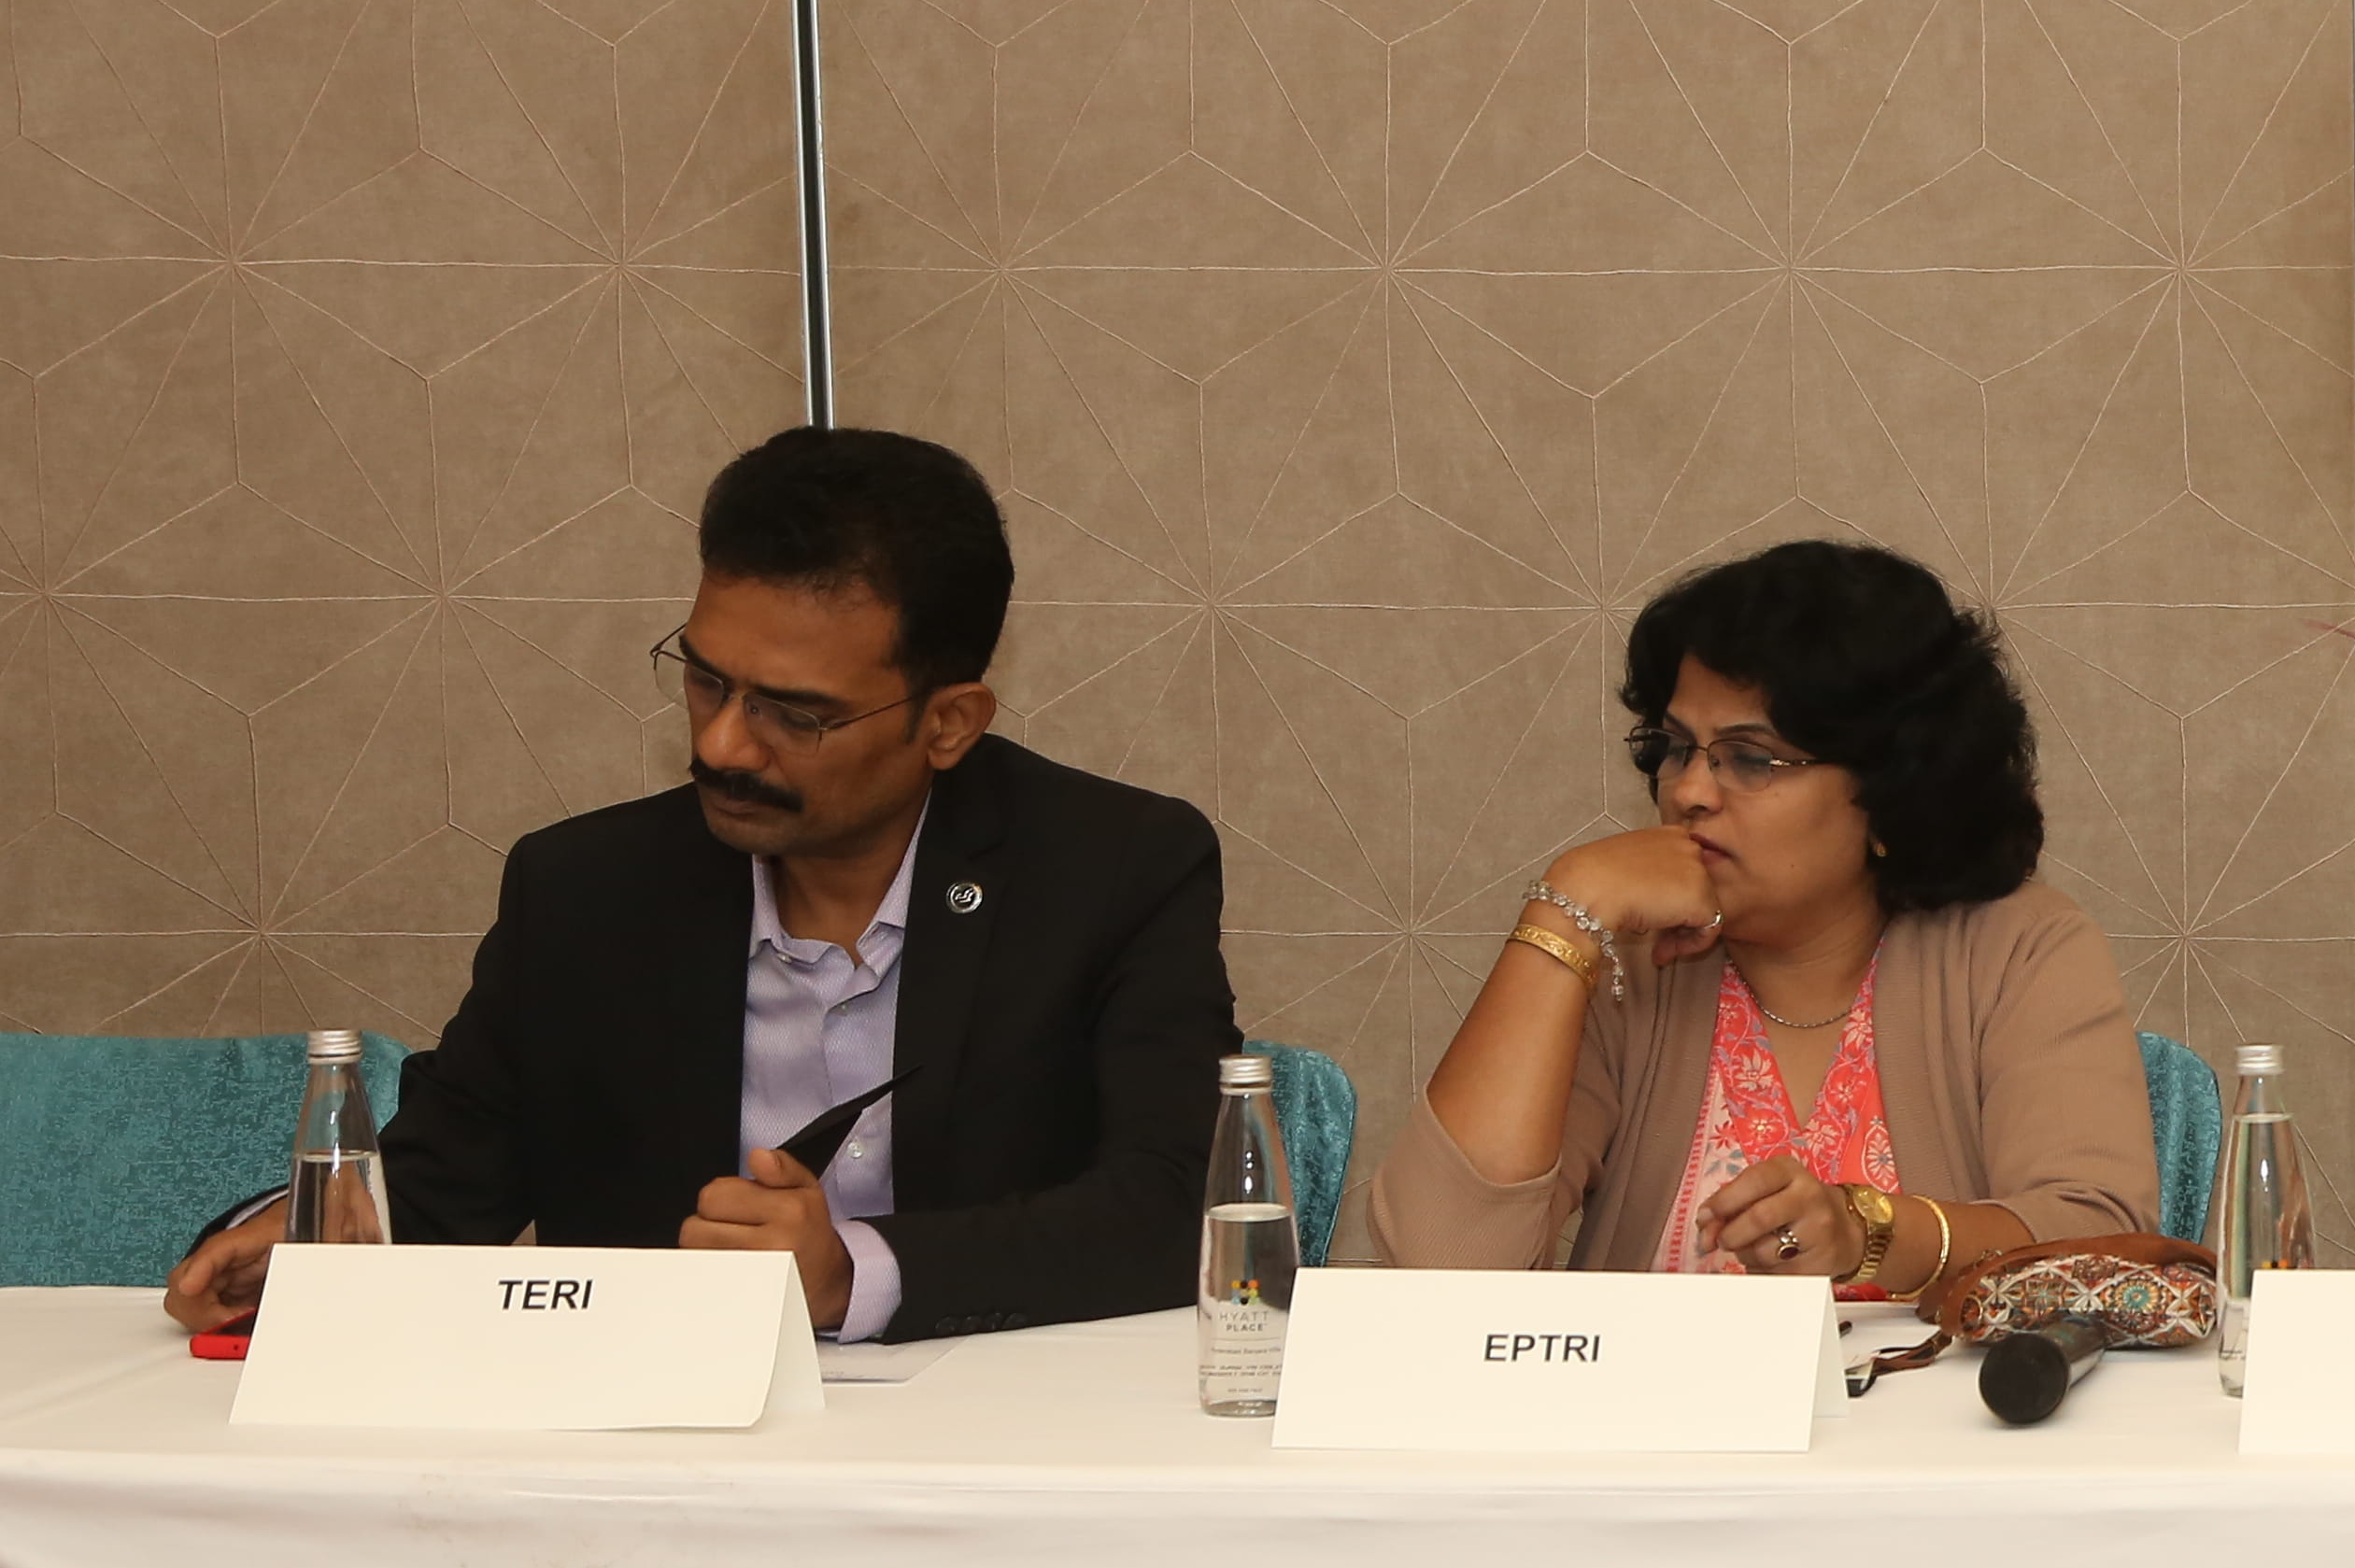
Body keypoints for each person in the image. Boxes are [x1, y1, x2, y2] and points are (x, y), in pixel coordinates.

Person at [163, 427, 1240, 1342]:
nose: (724, 744)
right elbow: (445, 1185)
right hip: (650, 1439)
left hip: (995, 1433)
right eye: (706, 680)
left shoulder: (1115, 869)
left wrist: (854, 1275)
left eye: (794, 713)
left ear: (948, 723)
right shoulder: (587, 891)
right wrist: (307, 1237)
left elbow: (1175, 1205)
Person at [1363, 541, 2155, 1286]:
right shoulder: (1623, 965)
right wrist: (1566, 914)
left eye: (1750, 758)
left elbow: (2100, 1246)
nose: (1688, 791)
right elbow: (1434, 1274)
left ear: (1890, 790)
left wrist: (1873, 1235)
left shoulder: (2016, 950)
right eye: (1678, 748)